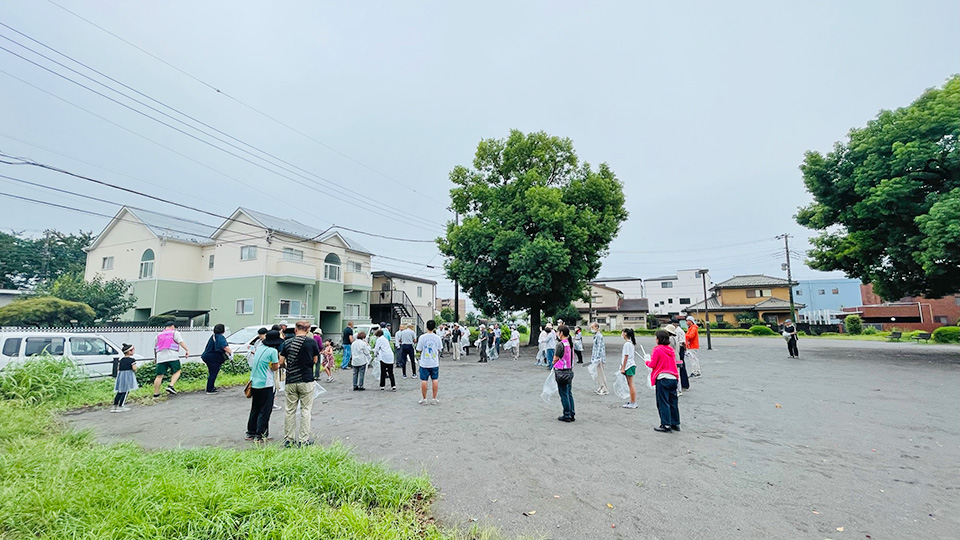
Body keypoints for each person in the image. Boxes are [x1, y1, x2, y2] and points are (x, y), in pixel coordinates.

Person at [279, 320, 320, 447]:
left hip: (291, 380)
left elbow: (281, 362)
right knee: (306, 410)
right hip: (307, 379)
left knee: (289, 410)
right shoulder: (311, 342)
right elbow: (315, 359)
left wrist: (288, 366)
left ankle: (289, 440)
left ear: (296, 329)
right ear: (308, 330)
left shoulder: (287, 343)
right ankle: (303, 440)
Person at [246, 331, 279, 442]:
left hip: (254, 382)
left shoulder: (259, 348)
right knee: (265, 410)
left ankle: (251, 432)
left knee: (255, 408)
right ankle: (260, 434)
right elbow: (275, 367)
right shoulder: (273, 351)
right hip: (266, 383)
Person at [647, 330, 680, 432]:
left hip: (662, 377)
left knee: (663, 402)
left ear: (658, 339)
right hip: (673, 378)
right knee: (673, 402)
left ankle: (666, 424)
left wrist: (647, 361)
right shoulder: (670, 350)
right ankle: (675, 423)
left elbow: (653, 364)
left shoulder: (657, 349)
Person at [153, 321, 188, 398]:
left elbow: (155, 347)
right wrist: (187, 350)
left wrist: (156, 358)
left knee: (159, 376)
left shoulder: (158, 335)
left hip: (160, 357)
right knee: (177, 371)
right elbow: (180, 342)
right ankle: (171, 385)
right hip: (172, 355)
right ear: (172, 326)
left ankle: (156, 394)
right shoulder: (175, 333)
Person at [200, 324, 232, 395]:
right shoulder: (220, 337)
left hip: (207, 356)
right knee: (213, 373)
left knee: (212, 373)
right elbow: (225, 347)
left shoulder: (213, 336)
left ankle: (211, 387)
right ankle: (210, 389)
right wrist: (231, 353)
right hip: (213, 358)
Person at [416, 319, 443, 404]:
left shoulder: (422, 337)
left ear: (426, 327)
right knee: (435, 379)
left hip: (424, 362)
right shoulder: (437, 337)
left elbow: (418, 349)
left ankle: (424, 399)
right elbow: (440, 348)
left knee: (424, 380)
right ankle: (434, 398)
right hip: (434, 362)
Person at [553, 325, 576, 422]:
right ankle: (571, 413)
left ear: (561, 333)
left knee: (564, 394)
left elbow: (555, 358)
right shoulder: (570, 343)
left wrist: (553, 363)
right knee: (569, 393)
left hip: (562, 372)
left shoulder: (560, 344)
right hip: (569, 370)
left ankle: (566, 415)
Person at [111, 343, 138, 412]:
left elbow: (118, 368)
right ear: (129, 351)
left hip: (121, 375)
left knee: (120, 391)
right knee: (125, 391)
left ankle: (114, 406)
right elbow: (134, 368)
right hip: (128, 375)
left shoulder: (121, 359)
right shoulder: (132, 360)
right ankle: (121, 406)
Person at [665, 319, 689, 395]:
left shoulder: (676, 333)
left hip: (678, 350)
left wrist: (685, 350)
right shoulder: (676, 334)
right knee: (679, 369)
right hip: (677, 351)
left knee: (679, 369)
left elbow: (682, 342)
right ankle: (682, 386)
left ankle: (682, 385)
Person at [620, 328, 639, 409]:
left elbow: (626, 356)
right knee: (629, 384)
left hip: (629, 365)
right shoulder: (630, 343)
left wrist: (623, 368)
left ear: (625, 334)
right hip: (630, 365)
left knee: (631, 384)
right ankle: (632, 400)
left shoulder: (627, 344)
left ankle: (633, 402)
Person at [590, 322, 608, 395]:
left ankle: (605, 389)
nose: (591, 329)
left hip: (599, 358)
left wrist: (597, 358)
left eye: (592, 327)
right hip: (596, 358)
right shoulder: (596, 335)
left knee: (601, 374)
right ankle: (601, 386)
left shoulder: (599, 336)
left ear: (596, 327)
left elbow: (599, 348)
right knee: (598, 374)